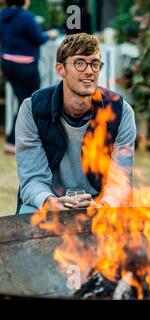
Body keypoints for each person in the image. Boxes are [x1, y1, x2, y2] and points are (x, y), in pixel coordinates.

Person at [15, 33, 136, 214]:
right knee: (27, 216)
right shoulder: (33, 109)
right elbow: (33, 179)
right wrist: (49, 202)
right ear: (60, 69)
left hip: (100, 201)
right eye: (80, 63)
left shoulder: (120, 111)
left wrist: (104, 206)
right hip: (51, 200)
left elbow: (120, 179)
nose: (89, 71)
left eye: (95, 64)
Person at [0, 0, 57, 155]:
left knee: (23, 101)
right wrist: (50, 35)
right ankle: (14, 141)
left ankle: (17, 140)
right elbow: (38, 38)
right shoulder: (26, 17)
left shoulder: (2, 16)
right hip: (25, 65)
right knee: (31, 102)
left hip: (8, 63)